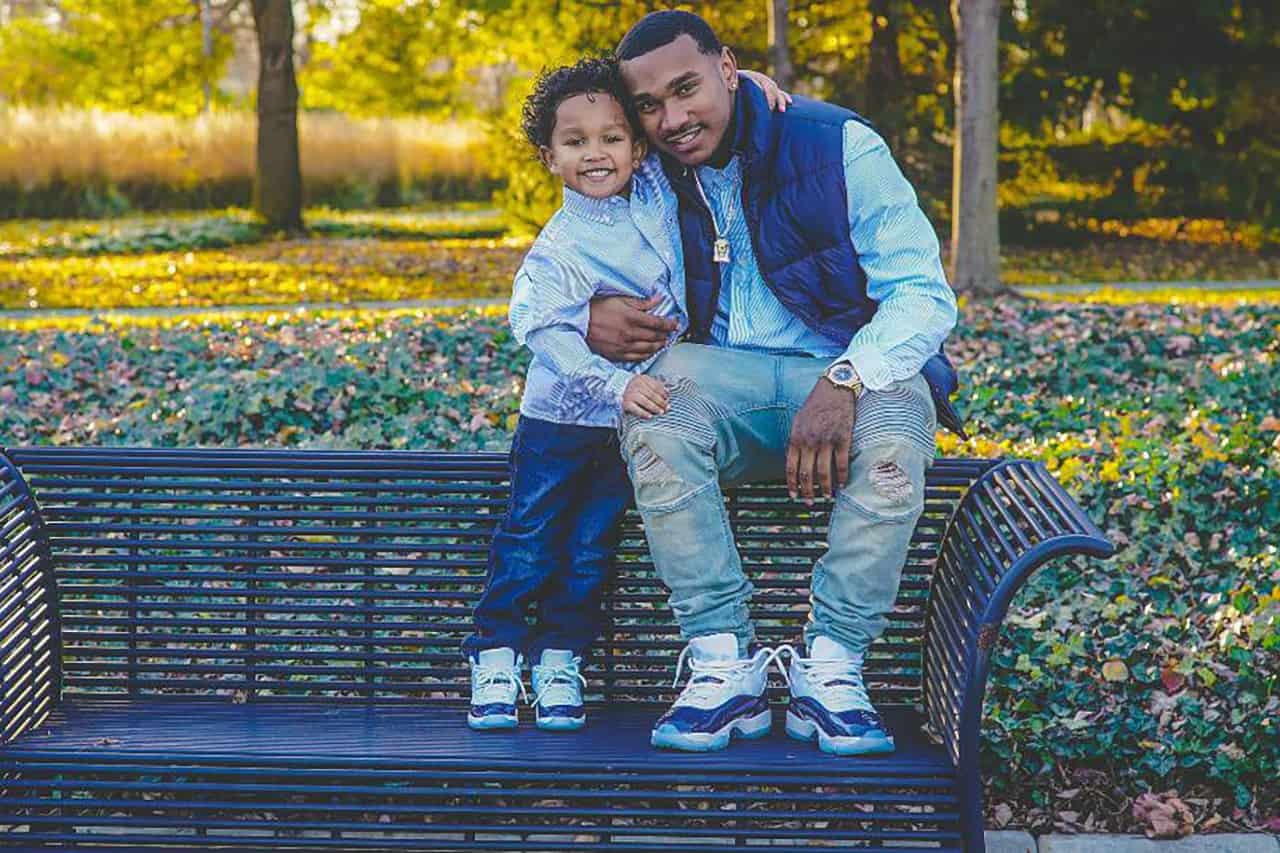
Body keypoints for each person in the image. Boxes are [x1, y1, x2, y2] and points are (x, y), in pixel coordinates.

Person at [586, 10, 963, 755]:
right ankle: (724, 665)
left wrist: (847, 375)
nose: (673, 117)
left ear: (729, 68)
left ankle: (832, 668)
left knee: (896, 441)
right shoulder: (644, 166)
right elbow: (570, 229)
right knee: (657, 422)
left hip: (854, 365)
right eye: (650, 106)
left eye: (688, 88)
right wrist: (589, 315)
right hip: (724, 380)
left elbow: (923, 294)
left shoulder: (836, 145)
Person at [462, 56, 789, 733]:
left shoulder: (656, 196)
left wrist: (748, 81)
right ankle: (495, 653)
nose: (596, 153)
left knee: (589, 547)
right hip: (561, 422)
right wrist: (617, 385)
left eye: (611, 137)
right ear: (549, 156)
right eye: (575, 142)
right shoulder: (558, 247)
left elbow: (701, 103)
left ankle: (560, 657)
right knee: (529, 538)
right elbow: (540, 328)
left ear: (637, 149)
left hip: (632, 422)